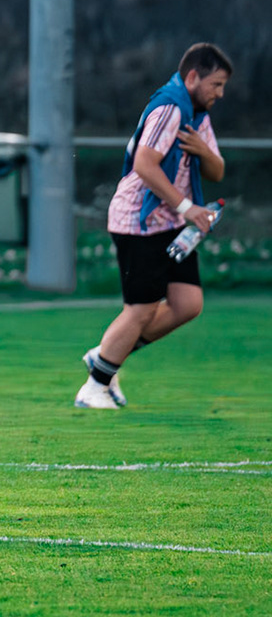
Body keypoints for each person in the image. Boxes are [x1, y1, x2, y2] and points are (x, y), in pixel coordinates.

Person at [77, 43, 231, 410]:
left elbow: (218, 171)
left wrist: (204, 151)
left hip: (172, 223)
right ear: (193, 76)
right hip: (139, 221)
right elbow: (145, 165)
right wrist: (188, 206)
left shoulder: (198, 116)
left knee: (188, 303)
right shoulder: (169, 108)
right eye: (216, 84)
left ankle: (107, 353)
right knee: (141, 309)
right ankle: (94, 387)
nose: (220, 93)